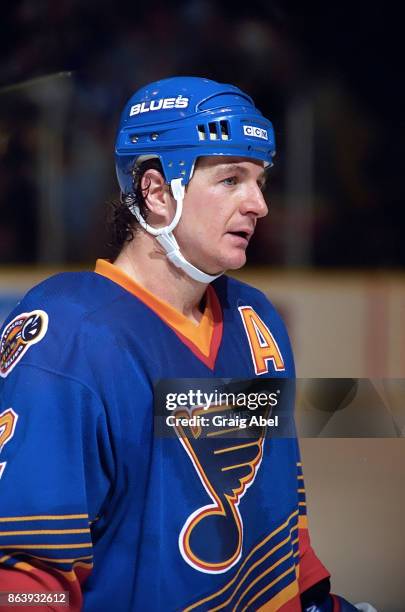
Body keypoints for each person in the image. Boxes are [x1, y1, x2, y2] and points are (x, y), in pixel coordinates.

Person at [0, 77, 370, 611]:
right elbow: (27, 580)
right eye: (231, 180)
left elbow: (276, 517)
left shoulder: (255, 321)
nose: (259, 204)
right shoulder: (69, 340)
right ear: (155, 191)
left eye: (259, 181)